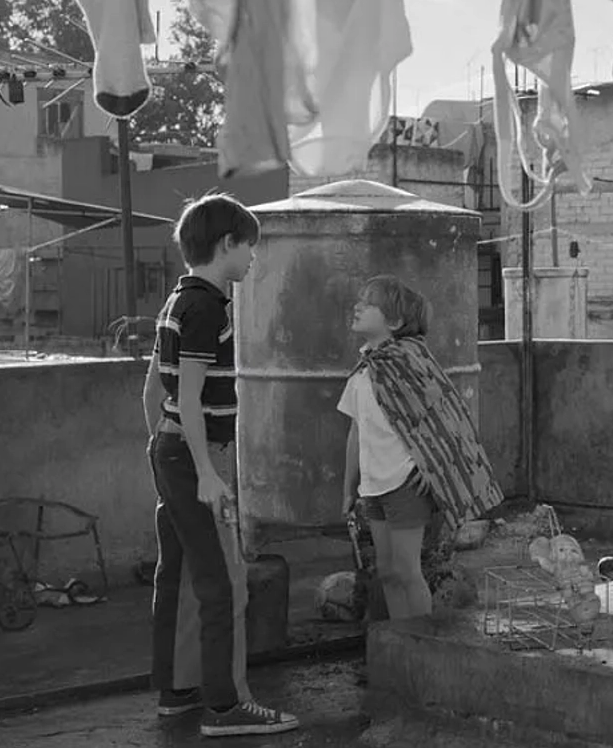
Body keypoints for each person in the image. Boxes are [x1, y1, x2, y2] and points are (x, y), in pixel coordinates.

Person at [142, 194, 302, 738]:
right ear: (227, 244)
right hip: (194, 455)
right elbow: (188, 397)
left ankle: (177, 690)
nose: (253, 257)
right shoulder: (208, 305)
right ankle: (225, 705)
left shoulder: (177, 300)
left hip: (171, 450)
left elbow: (153, 389)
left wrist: (162, 448)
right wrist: (206, 472)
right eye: (250, 246)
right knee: (223, 585)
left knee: (180, 575)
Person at [338, 275, 503, 622]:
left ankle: (423, 641)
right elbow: (356, 431)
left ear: (394, 322)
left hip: (404, 484)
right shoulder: (363, 372)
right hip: (373, 487)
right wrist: (348, 489)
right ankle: (403, 641)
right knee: (387, 573)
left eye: (368, 304)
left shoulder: (413, 363)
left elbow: (445, 421)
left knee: (407, 571)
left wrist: (435, 471)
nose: (358, 307)